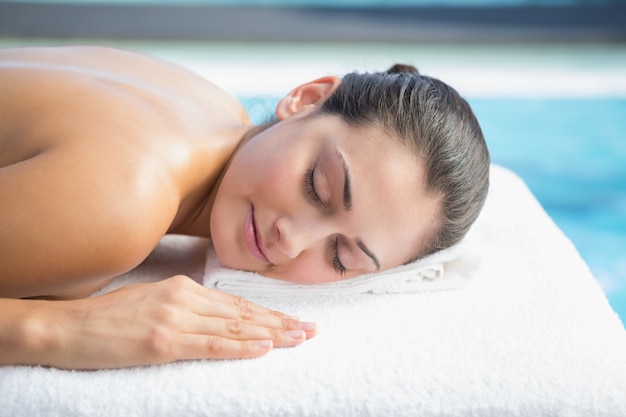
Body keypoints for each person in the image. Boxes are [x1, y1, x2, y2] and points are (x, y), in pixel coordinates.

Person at [0, 45, 490, 369]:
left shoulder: (207, 102)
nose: (291, 240)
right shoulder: (123, 201)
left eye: (342, 257)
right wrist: (57, 331)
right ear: (305, 99)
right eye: (318, 187)